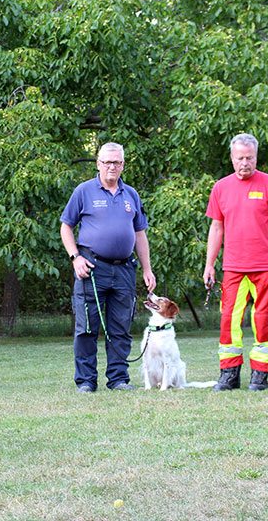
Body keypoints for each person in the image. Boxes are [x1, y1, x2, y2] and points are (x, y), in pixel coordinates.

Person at [203, 133, 268, 392]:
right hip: (233, 268)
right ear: (231, 158)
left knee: (264, 320)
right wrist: (209, 264)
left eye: (249, 158)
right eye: (239, 158)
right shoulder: (221, 187)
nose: (244, 163)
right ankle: (229, 374)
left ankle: (259, 375)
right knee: (228, 320)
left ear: (256, 157)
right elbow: (216, 228)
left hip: (265, 266)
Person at [60, 142, 157, 392]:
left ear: (123, 165)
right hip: (91, 268)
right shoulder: (84, 191)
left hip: (124, 269)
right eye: (107, 162)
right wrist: (75, 257)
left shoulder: (131, 194)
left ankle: (118, 379)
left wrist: (147, 269)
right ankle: (86, 382)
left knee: (121, 327)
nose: (111, 166)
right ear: (98, 164)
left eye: (116, 162)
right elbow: (66, 226)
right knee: (87, 328)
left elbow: (140, 234)